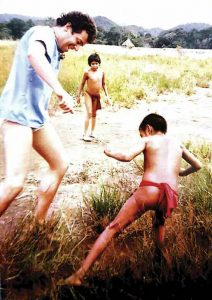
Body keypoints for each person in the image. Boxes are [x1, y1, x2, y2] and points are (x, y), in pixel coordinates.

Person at [63, 113, 202, 286]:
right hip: (170, 195)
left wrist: (110, 152)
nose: (142, 137)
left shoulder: (148, 140)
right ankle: (161, 265)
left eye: (142, 134)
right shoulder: (177, 144)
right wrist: (180, 172)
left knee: (112, 228)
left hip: (150, 189)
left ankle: (79, 275)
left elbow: (127, 156)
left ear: (148, 129)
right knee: (159, 225)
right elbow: (198, 165)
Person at [0, 12, 97, 224]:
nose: (77, 47)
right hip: (18, 116)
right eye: (78, 41)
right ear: (68, 27)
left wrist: (57, 97)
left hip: (36, 119)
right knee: (14, 184)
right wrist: (60, 91)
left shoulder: (56, 49)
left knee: (60, 164)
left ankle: (39, 224)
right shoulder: (42, 33)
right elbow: (34, 56)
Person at [76, 52, 110, 141]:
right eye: (92, 64)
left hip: (96, 96)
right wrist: (78, 96)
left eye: (96, 63)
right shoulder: (87, 73)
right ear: (90, 64)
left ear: (99, 63)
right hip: (88, 94)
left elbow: (104, 84)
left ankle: (92, 132)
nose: (94, 65)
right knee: (89, 113)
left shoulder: (102, 72)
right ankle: (84, 134)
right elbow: (82, 84)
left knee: (94, 115)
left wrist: (107, 96)